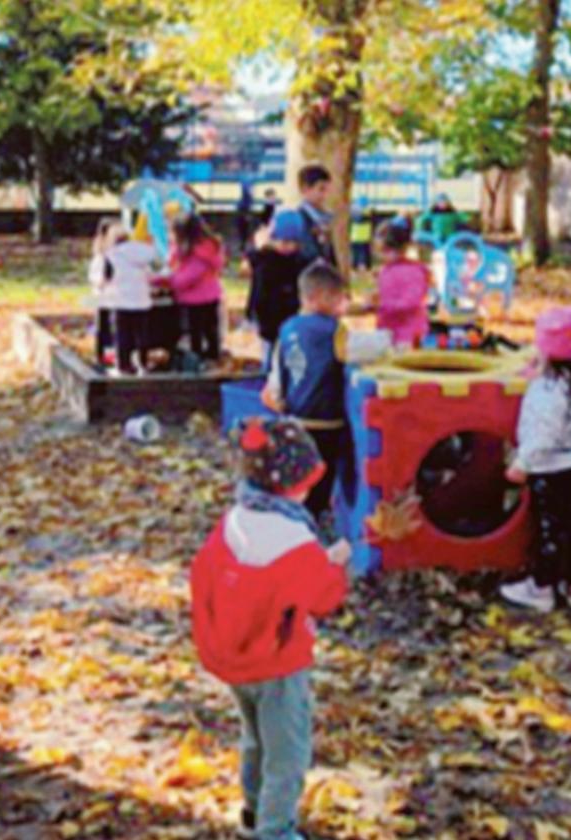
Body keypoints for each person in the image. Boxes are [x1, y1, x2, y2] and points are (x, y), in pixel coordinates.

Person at [190, 416, 351, 840]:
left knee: (255, 739)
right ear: (293, 484)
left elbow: (205, 576)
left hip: (235, 658)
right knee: (287, 752)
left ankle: (253, 809)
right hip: (278, 662)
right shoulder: (292, 539)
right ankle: (275, 829)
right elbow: (323, 597)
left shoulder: (234, 520)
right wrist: (334, 564)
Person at [262, 262, 393, 523]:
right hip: (326, 419)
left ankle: (293, 515)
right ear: (316, 298)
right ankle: (313, 520)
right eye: (336, 298)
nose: (341, 305)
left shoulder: (287, 329)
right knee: (324, 475)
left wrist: (277, 399)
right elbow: (354, 348)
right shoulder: (333, 331)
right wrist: (389, 342)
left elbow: (278, 371)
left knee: (300, 472)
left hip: (295, 417)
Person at [500, 306, 571, 613]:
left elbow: (546, 432)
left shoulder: (549, 389)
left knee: (549, 530)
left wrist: (522, 463)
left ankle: (541, 589)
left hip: (549, 467)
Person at [247, 165, 337, 368]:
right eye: (320, 189)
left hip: (298, 306)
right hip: (274, 319)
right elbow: (260, 294)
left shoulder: (322, 222)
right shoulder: (269, 261)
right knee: (273, 359)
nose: (325, 195)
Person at [166, 214, 226, 363]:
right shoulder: (202, 249)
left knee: (197, 332)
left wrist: (166, 280)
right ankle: (210, 354)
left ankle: (199, 358)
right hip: (209, 296)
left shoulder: (200, 253)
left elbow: (187, 278)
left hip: (196, 299)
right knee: (209, 330)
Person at [104, 225, 161, 375]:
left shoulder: (111, 255)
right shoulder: (145, 252)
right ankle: (143, 362)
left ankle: (124, 365)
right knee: (141, 334)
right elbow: (158, 269)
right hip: (141, 300)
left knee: (122, 335)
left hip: (120, 301)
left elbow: (106, 278)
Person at [374, 224, 433, 348]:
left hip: (408, 335)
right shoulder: (386, 270)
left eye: (385, 250)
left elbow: (412, 302)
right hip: (387, 331)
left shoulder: (413, 271)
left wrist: (382, 306)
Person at [87, 218, 122, 368]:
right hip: (103, 296)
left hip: (113, 296)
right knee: (103, 326)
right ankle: (101, 355)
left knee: (112, 326)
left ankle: (110, 354)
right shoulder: (101, 255)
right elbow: (96, 276)